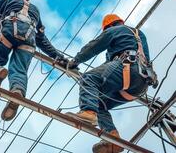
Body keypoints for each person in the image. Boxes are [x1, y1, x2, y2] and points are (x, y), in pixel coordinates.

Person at [0, 0, 67, 121]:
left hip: (8, 32)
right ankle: (17, 91)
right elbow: (42, 39)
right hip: (29, 39)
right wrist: (58, 56)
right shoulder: (35, 10)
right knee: (19, 70)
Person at [66, 14, 157, 153]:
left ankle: (88, 112)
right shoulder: (139, 34)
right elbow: (110, 68)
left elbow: (93, 47)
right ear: (121, 21)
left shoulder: (114, 30)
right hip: (141, 84)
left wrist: (75, 61)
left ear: (108, 27)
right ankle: (113, 139)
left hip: (128, 68)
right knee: (99, 103)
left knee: (89, 78)